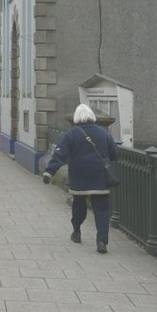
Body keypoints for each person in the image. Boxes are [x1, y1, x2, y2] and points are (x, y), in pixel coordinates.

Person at [42, 104, 118, 253]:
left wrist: (49, 172)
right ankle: (101, 241)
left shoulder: (71, 134)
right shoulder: (104, 133)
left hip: (79, 175)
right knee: (101, 209)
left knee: (79, 206)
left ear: (76, 118)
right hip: (99, 175)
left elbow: (60, 155)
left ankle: (76, 232)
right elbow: (114, 153)